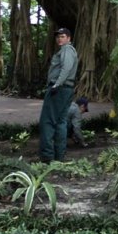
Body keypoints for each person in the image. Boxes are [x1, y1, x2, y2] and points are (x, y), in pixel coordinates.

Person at [38, 27, 78, 162]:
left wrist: (57, 84)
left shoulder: (67, 49)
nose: (59, 39)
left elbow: (66, 67)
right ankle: (59, 156)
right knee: (61, 122)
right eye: (58, 37)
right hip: (66, 89)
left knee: (47, 122)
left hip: (59, 89)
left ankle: (47, 156)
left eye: (62, 36)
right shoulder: (68, 50)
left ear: (68, 38)